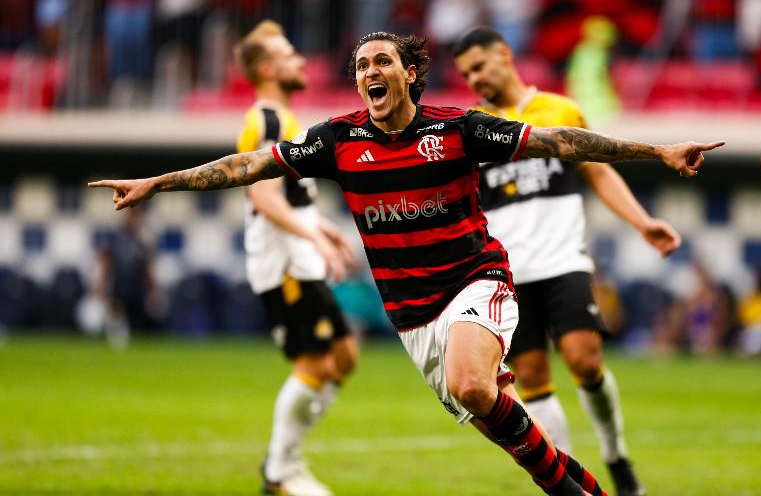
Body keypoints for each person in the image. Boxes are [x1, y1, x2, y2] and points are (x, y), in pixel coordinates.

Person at [90, 31, 723, 495]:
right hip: (411, 315)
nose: (370, 70)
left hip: (478, 280)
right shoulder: (338, 140)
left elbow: (561, 141)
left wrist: (656, 150)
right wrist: (160, 181)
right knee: (501, 423)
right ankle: (582, 487)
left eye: (382, 61)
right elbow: (251, 167)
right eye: (361, 64)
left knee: (476, 386)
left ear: (409, 74)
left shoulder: (458, 129)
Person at [452, 26, 682, 496]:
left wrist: (642, 223)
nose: (474, 79)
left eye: (478, 66)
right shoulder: (475, 128)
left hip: (563, 262)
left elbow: (598, 173)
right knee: (533, 378)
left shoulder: (559, 110)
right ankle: (573, 475)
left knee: (585, 361)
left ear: (503, 55)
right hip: (508, 276)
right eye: (466, 73)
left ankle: (616, 453)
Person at [233, 21, 358, 496]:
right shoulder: (264, 119)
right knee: (315, 362)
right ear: (267, 69)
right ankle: (281, 471)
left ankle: (282, 459)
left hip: (300, 250)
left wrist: (321, 227)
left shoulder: (282, 119)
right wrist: (314, 236)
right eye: (289, 54)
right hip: (281, 260)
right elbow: (264, 199)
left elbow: (290, 194)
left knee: (344, 356)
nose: (301, 60)